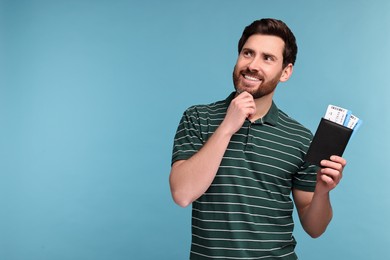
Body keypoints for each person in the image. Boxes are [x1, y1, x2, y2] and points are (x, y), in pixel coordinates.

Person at [169, 18, 346, 260]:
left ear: (286, 72)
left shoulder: (301, 137)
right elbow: (182, 193)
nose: (252, 65)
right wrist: (227, 128)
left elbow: (314, 228)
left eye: (268, 58)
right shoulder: (198, 118)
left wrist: (323, 192)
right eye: (247, 53)